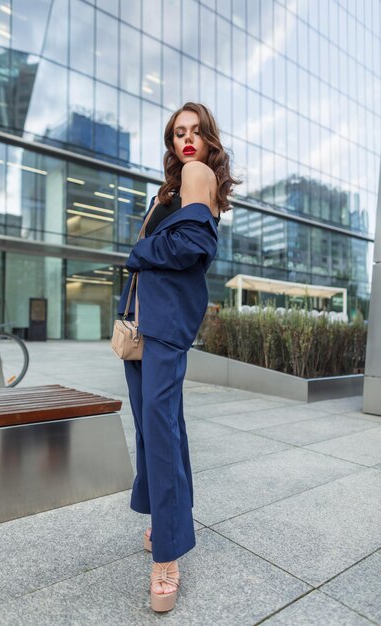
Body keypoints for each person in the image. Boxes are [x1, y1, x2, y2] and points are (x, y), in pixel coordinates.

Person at [118, 102, 239, 612]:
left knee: (160, 434)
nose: (186, 141)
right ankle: (168, 521)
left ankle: (167, 556)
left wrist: (136, 252)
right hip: (145, 323)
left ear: (209, 141)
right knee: (156, 428)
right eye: (177, 134)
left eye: (195, 132)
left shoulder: (195, 173)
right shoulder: (169, 189)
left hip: (164, 326)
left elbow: (193, 246)